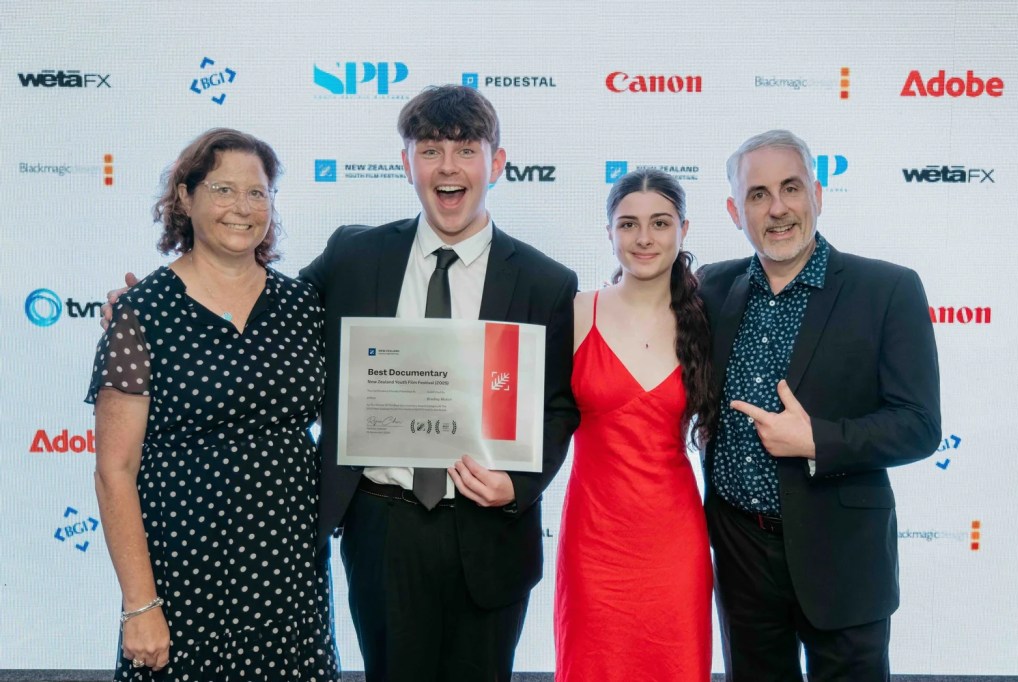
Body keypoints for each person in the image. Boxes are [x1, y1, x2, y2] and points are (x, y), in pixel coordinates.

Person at [298, 84, 578, 682]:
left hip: (489, 531)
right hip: (383, 529)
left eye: (466, 150)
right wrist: (174, 300)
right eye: (429, 150)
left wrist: (518, 486)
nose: (448, 167)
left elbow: (558, 407)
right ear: (407, 164)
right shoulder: (353, 255)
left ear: (496, 164)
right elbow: (273, 313)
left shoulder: (545, 281)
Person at [89, 128, 340, 679]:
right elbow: (114, 470)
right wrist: (140, 605)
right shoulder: (142, 313)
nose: (242, 208)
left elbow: (345, 419)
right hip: (183, 582)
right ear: (185, 197)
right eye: (223, 190)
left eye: (257, 193)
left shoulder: (303, 306)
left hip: (290, 579)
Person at [699, 129, 941, 681]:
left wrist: (817, 441)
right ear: (735, 212)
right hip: (740, 555)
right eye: (758, 194)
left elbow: (920, 425)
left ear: (818, 195)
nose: (777, 208)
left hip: (843, 558)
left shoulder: (887, 290)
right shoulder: (712, 287)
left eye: (791, 188)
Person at [555, 169, 714, 681]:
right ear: (609, 232)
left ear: (683, 230)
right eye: (628, 224)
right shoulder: (576, 312)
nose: (644, 238)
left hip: (674, 542)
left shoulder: (707, 320)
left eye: (660, 223)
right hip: (593, 542)